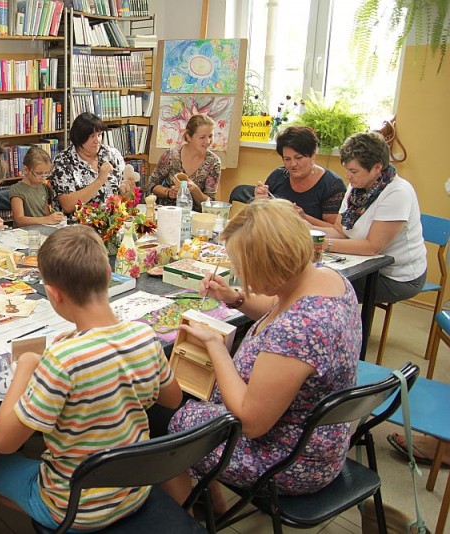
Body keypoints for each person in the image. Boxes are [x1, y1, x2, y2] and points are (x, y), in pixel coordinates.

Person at [0, 225, 182, 531]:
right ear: (109, 274)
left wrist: (27, 366)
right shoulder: (144, 335)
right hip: (134, 491)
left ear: (54, 294)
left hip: (74, 508)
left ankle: (49, 517)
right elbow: (172, 398)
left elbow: (3, 442)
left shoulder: (62, 359)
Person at [163, 199, 360, 512]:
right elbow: (275, 308)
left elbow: (251, 422)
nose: (243, 280)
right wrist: (236, 299)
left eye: (243, 272)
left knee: (176, 423)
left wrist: (216, 348)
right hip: (318, 438)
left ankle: (184, 516)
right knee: (192, 403)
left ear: (270, 265)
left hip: (290, 460)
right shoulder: (327, 280)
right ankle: (213, 502)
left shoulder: (301, 328)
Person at [315, 131, 427, 304]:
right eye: (347, 170)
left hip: (396, 276)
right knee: (308, 278)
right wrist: (303, 232)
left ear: (377, 167)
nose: (348, 176)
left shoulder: (397, 192)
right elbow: (340, 231)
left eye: (353, 171)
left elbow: (372, 247)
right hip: (362, 264)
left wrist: (321, 244)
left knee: (320, 289)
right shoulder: (356, 189)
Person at [50, 112, 137, 223]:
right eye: (92, 136)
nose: (97, 140)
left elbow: (125, 196)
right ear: (79, 138)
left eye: (99, 135)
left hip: (113, 222)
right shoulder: (63, 162)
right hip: (77, 226)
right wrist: (100, 180)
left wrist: (128, 191)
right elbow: (68, 205)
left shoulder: (111, 154)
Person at [255, 126, 346, 227]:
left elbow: (336, 231)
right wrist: (260, 201)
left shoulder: (332, 185)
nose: (293, 164)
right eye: (287, 159)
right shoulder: (277, 176)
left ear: (313, 154)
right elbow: (262, 218)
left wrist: (304, 217)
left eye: (298, 158)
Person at [145, 114, 221, 209]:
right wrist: (168, 192)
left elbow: (211, 203)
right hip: (167, 212)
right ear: (189, 137)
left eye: (210, 136)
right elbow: (151, 185)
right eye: (202, 137)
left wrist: (195, 190)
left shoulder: (213, 162)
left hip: (194, 218)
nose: (208, 141)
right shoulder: (171, 155)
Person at [9, 146, 66, 227]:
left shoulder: (43, 187)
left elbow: (46, 213)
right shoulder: (17, 189)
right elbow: (19, 220)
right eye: (39, 173)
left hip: (42, 229)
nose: (43, 178)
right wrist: (47, 219)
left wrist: (55, 217)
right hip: (25, 233)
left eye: (46, 173)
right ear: (26, 170)